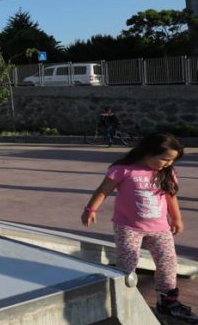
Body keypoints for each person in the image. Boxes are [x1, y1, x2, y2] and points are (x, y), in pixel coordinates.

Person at [81, 133, 195, 321]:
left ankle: (167, 303)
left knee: (168, 263)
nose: (167, 164)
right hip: (128, 227)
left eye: (172, 160)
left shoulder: (167, 172)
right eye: (165, 159)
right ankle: (125, 298)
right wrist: (90, 209)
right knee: (127, 264)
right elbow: (104, 190)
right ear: (148, 152)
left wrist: (177, 219)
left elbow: (171, 196)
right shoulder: (122, 169)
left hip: (160, 228)